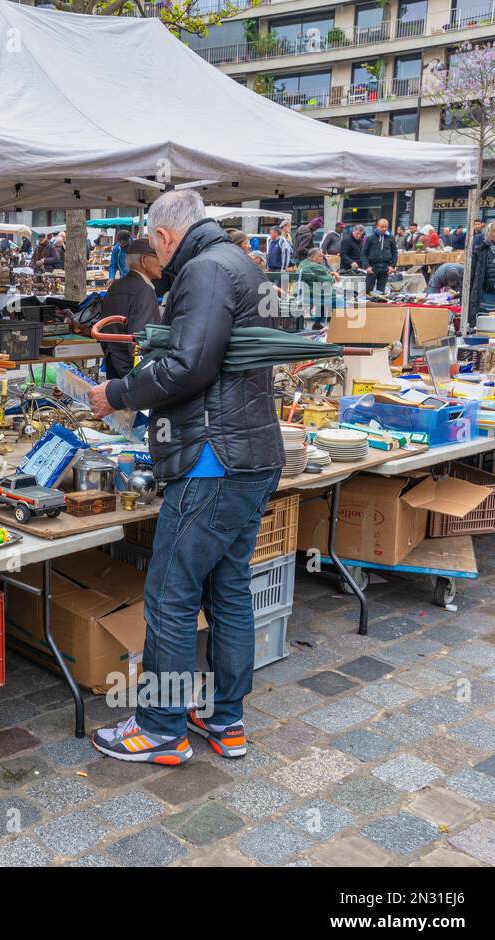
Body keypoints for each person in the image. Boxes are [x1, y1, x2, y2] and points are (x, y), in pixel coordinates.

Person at [85, 189, 282, 767]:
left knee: (170, 594)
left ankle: (161, 727)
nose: (159, 258)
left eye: (157, 247)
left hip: (213, 459)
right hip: (250, 454)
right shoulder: (240, 262)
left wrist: (116, 393)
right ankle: (227, 720)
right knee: (227, 590)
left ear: (166, 238)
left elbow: (187, 366)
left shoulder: (202, 271)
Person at [88, 237, 161, 379]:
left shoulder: (116, 285)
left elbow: (105, 326)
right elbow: (141, 341)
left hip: (114, 364)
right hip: (132, 374)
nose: (162, 263)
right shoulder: (144, 290)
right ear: (144, 261)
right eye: (157, 257)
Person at [295, 245, 339, 325]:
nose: (322, 258)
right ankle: (337, 327)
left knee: (324, 298)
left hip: (303, 293)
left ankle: (318, 324)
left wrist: (329, 273)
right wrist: (331, 276)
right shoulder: (314, 266)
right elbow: (329, 281)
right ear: (312, 257)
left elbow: (322, 274)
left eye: (322, 256)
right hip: (312, 295)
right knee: (341, 302)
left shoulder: (303, 263)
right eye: (320, 256)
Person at [364, 217, 397, 294]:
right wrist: (367, 266)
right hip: (372, 267)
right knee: (368, 290)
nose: (384, 229)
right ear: (377, 226)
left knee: (381, 292)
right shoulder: (370, 238)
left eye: (386, 227)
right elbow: (364, 253)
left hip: (385, 268)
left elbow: (394, 252)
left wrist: (392, 266)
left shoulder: (391, 238)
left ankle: (379, 305)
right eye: (382, 227)